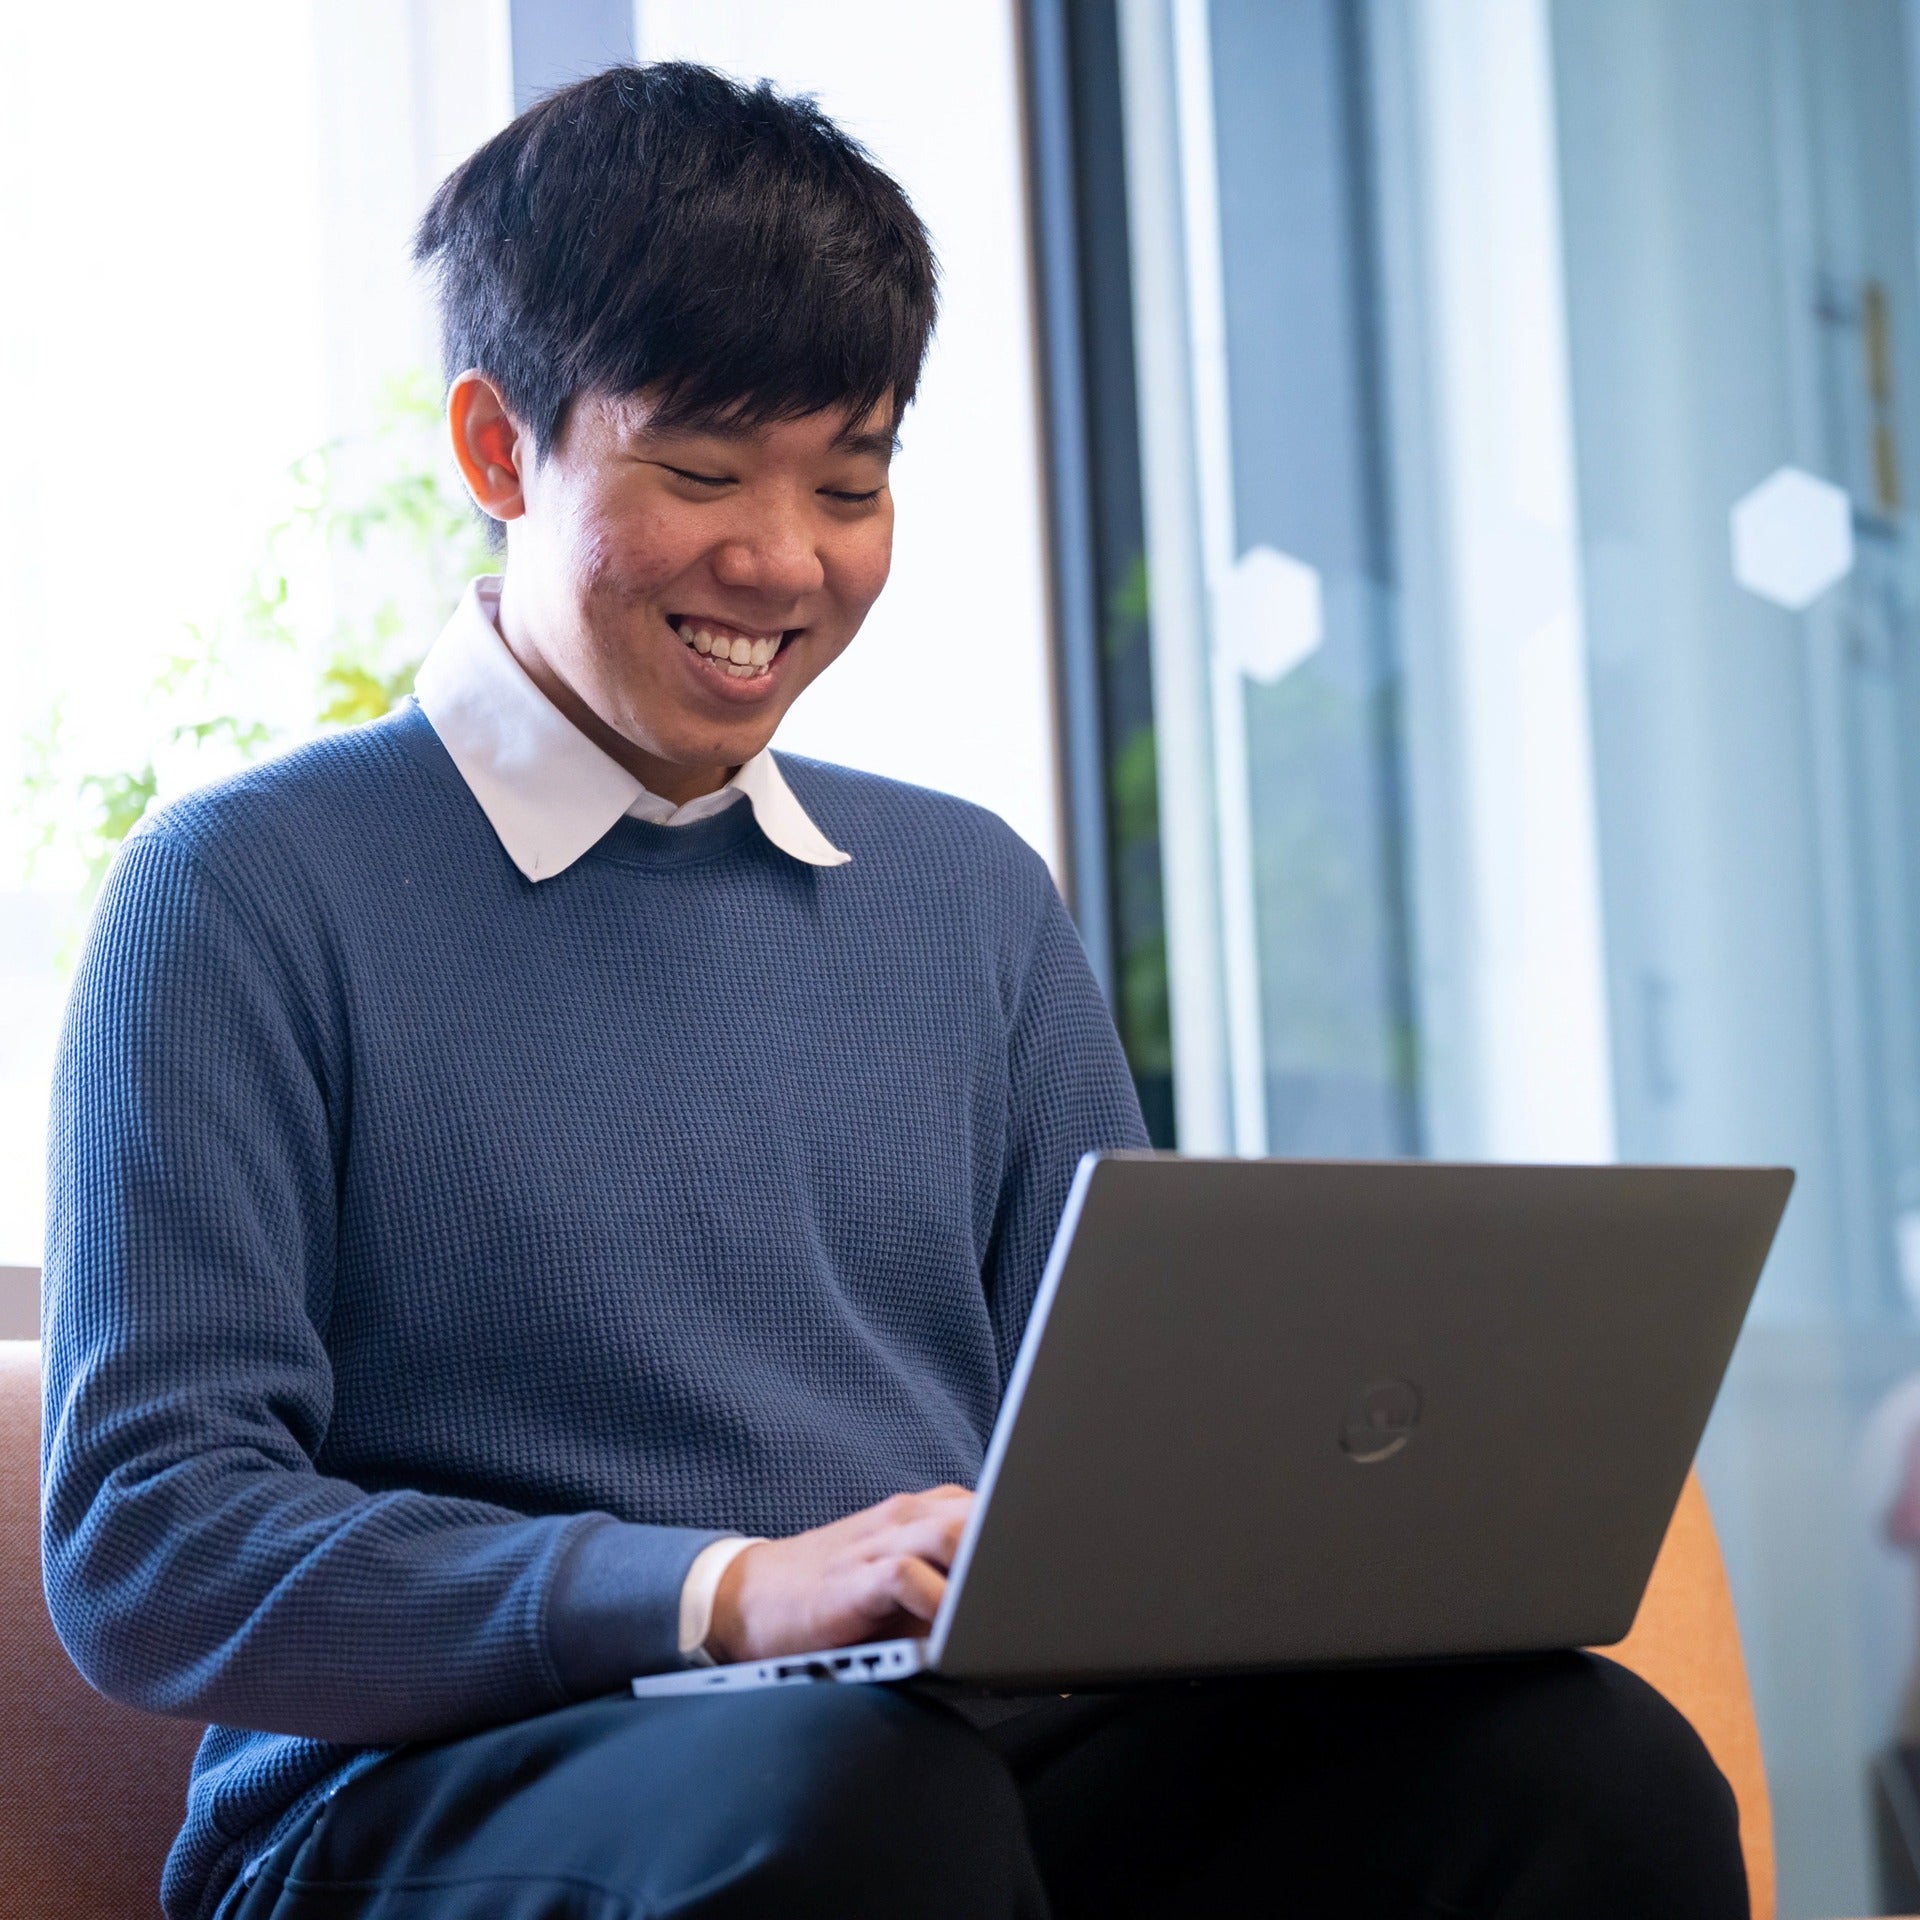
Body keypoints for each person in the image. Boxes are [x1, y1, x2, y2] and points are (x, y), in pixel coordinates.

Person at [41, 62, 1747, 1920]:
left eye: (848, 482)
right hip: (431, 1800)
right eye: (698, 472)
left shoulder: (967, 898)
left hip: (935, 1753)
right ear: (495, 449)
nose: (782, 560)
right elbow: (157, 1546)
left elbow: (1127, 1439)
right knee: (858, 1805)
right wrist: (720, 1592)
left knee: (1576, 1765)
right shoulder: (244, 892)